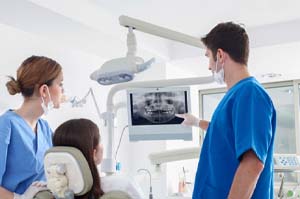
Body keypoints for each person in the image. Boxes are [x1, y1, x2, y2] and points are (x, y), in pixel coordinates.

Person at [176, 22, 276, 199]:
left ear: (220, 55)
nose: (208, 66)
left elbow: (252, 163)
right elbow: (225, 134)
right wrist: (197, 122)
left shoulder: (250, 93)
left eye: (209, 57)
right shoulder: (237, 95)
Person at [0, 55, 64, 199]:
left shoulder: (45, 128)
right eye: (60, 84)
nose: (62, 91)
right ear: (44, 91)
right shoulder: (6, 125)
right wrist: (19, 198)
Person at [53, 118, 145, 199]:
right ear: (93, 153)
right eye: (100, 141)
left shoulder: (47, 191)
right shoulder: (122, 186)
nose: (101, 146)